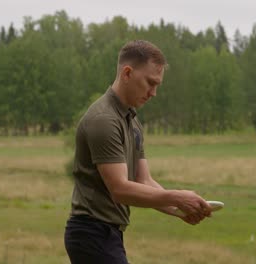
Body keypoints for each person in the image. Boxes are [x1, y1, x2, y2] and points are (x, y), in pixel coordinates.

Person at [64, 40, 211, 264]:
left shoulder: (132, 121)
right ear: (127, 73)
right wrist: (177, 197)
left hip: (108, 234)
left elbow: (144, 180)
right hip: (91, 233)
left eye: (158, 85)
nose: (154, 93)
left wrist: (179, 209)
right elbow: (120, 189)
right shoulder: (104, 120)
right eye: (150, 83)